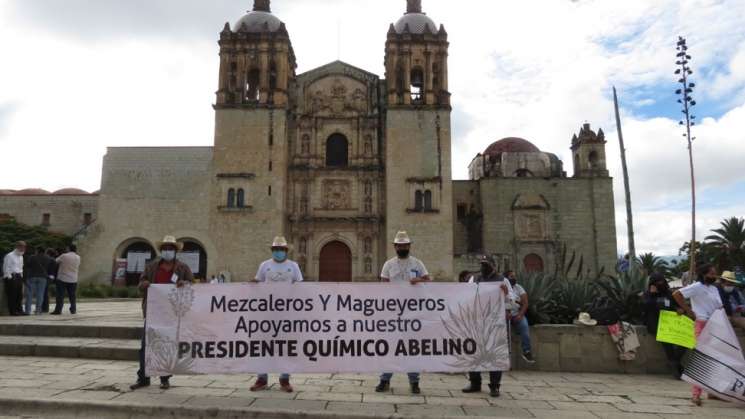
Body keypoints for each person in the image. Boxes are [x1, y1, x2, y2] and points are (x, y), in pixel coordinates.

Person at [131, 235, 193, 391]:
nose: (167, 251)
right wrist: (144, 284)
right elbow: (140, 284)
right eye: (165, 248)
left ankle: (165, 378)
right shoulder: (151, 267)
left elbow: (192, 286)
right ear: (161, 250)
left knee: (167, 345)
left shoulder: (183, 268)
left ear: (175, 251)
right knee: (146, 346)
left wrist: (184, 283)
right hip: (153, 311)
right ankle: (143, 378)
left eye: (170, 249)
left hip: (172, 312)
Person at [375, 231, 430, 395]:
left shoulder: (417, 263)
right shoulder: (389, 265)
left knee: (411, 348)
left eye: (405, 245)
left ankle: (414, 382)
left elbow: (428, 280)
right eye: (399, 245)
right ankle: (384, 379)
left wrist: (418, 280)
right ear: (395, 247)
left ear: (409, 246)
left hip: (413, 313)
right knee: (391, 347)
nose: (402, 247)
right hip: (393, 313)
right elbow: (383, 285)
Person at [250, 236, 304, 393]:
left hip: (287, 313)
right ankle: (262, 378)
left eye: (281, 249)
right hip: (266, 312)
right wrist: (252, 284)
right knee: (263, 345)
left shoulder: (293, 266)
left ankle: (285, 378)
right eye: (275, 250)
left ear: (286, 251)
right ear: (272, 251)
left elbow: (300, 286)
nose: (278, 252)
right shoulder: (264, 265)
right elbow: (257, 282)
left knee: (286, 346)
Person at [673, 264, 724, 406]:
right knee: (701, 359)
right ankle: (696, 394)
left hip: (715, 325)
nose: (714, 276)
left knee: (714, 359)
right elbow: (677, 294)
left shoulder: (714, 289)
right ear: (704, 274)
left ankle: (712, 392)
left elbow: (719, 307)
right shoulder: (696, 287)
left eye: (715, 273)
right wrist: (688, 310)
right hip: (701, 324)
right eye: (712, 273)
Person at [462, 255, 511, 397]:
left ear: (493, 266)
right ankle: (475, 382)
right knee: (474, 352)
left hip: (495, 323)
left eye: (486, 264)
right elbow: (465, 296)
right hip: (477, 321)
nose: (483, 267)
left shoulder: (503, 281)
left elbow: (512, 302)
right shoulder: (474, 279)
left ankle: (494, 386)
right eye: (482, 264)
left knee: (494, 354)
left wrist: (506, 294)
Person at [643, 272, 685, 378]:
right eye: (657, 282)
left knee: (684, 341)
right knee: (667, 342)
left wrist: (678, 309)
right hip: (656, 323)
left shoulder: (668, 293)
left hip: (670, 322)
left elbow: (674, 306)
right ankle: (675, 365)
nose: (660, 284)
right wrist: (653, 294)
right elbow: (647, 307)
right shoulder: (648, 294)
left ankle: (674, 361)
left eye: (661, 282)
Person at [504, 270, 536, 363]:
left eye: (514, 276)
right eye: (511, 276)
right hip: (505, 315)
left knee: (525, 328)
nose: (514, 278)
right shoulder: (502, 287)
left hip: (517, 314)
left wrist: (520, 314)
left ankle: (526, 351)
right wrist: (505, 313)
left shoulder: (519, 288)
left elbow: (525, 303)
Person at [51, 244, 81, 315]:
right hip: (73, 279)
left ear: (69, 248)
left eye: (67, 248)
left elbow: (55, 261)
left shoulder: (64, 256)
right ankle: (73, 309)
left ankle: (58, 310)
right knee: (72, 295)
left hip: (62, 278)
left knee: (60, 295)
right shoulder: (78, 257)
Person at [24, 247, 52, 315]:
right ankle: (38, 310)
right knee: (40, 294)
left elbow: (27, 265)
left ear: (37, 250)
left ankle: (27, 311)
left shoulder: (32, 257)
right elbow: (49, 266)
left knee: (29, 294)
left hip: (32, 276)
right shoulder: (48, 258)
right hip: (42, 277)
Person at [2, 241, 26, 316]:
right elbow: (6, 267)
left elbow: (21, 266)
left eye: (24, 246)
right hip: (11, 277)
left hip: (19, 276)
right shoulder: (10, 255)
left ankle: (20, 310)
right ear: (17, 246)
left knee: (19, 295)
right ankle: (13, 311)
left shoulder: (21, 256)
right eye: (22, 246)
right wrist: (9, 277)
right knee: (12, 295)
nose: (24, 248)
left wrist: (21, 275)